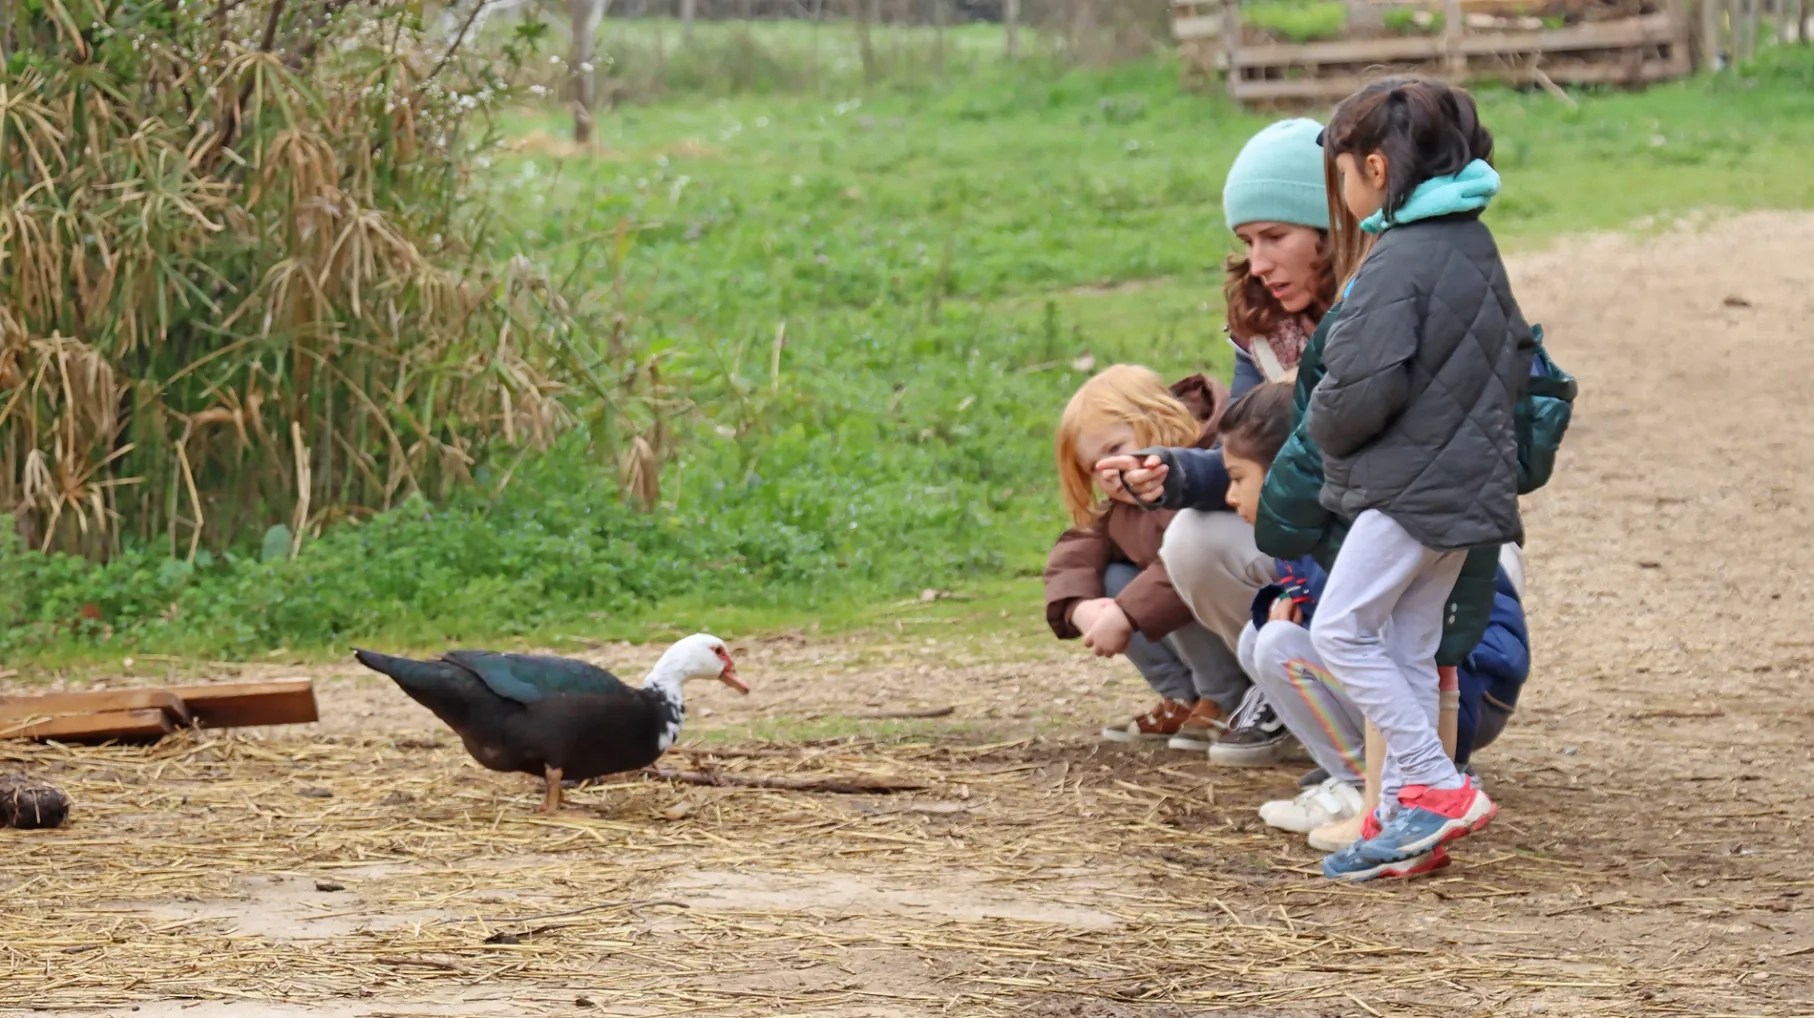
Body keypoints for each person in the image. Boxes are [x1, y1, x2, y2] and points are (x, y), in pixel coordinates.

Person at [1296, 77, 1535, 878]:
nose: (1341, 190)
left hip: (1410, 490)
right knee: (1406, 643)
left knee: (1340, 630)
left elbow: (1358, 390)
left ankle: (1436, 785)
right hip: (1467, 487)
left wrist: (1320, 421)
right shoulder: (1471, 244)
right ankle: (1408, 815)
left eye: (1341, 173)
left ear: (1374, 167)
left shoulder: (1399, 259)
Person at [1213, 385, 1532, 869]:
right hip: (1453, 686)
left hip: (1466, 693)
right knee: (1261, 635)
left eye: (1238, 478)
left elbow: (1364, 633)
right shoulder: (1322, 511)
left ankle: (1373, 789)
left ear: (1286, 470)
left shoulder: (1349, 523)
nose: (1229, 495)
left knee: (1282, 643)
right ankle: (1401, 789)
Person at [1156, 116, 1350, 766]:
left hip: (1394, 530)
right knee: (1192, 538)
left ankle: (1371, 721)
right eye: (1247, 241)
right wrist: (1174, 473)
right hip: (1313, 534)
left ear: (1331, 228)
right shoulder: (1264, 330)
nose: (1258, 263)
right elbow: (1248, 462)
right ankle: (1282, 680)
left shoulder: (1383, 307)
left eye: (1275, 236)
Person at [1044, 365, 1250, 750]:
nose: (1106, 472)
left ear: (1156, 421)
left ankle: (1226, 698)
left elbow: (1182, 567)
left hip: (1245, 631)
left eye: (1114, 450)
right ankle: (1184, 697)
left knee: (1173, 580)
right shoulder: (1124, 506)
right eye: (1093, 467)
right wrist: (1078, 606)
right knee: (1109, 577)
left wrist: (1125, 614)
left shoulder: (1211, 467)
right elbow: (1075, 549)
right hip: (1207, 637)